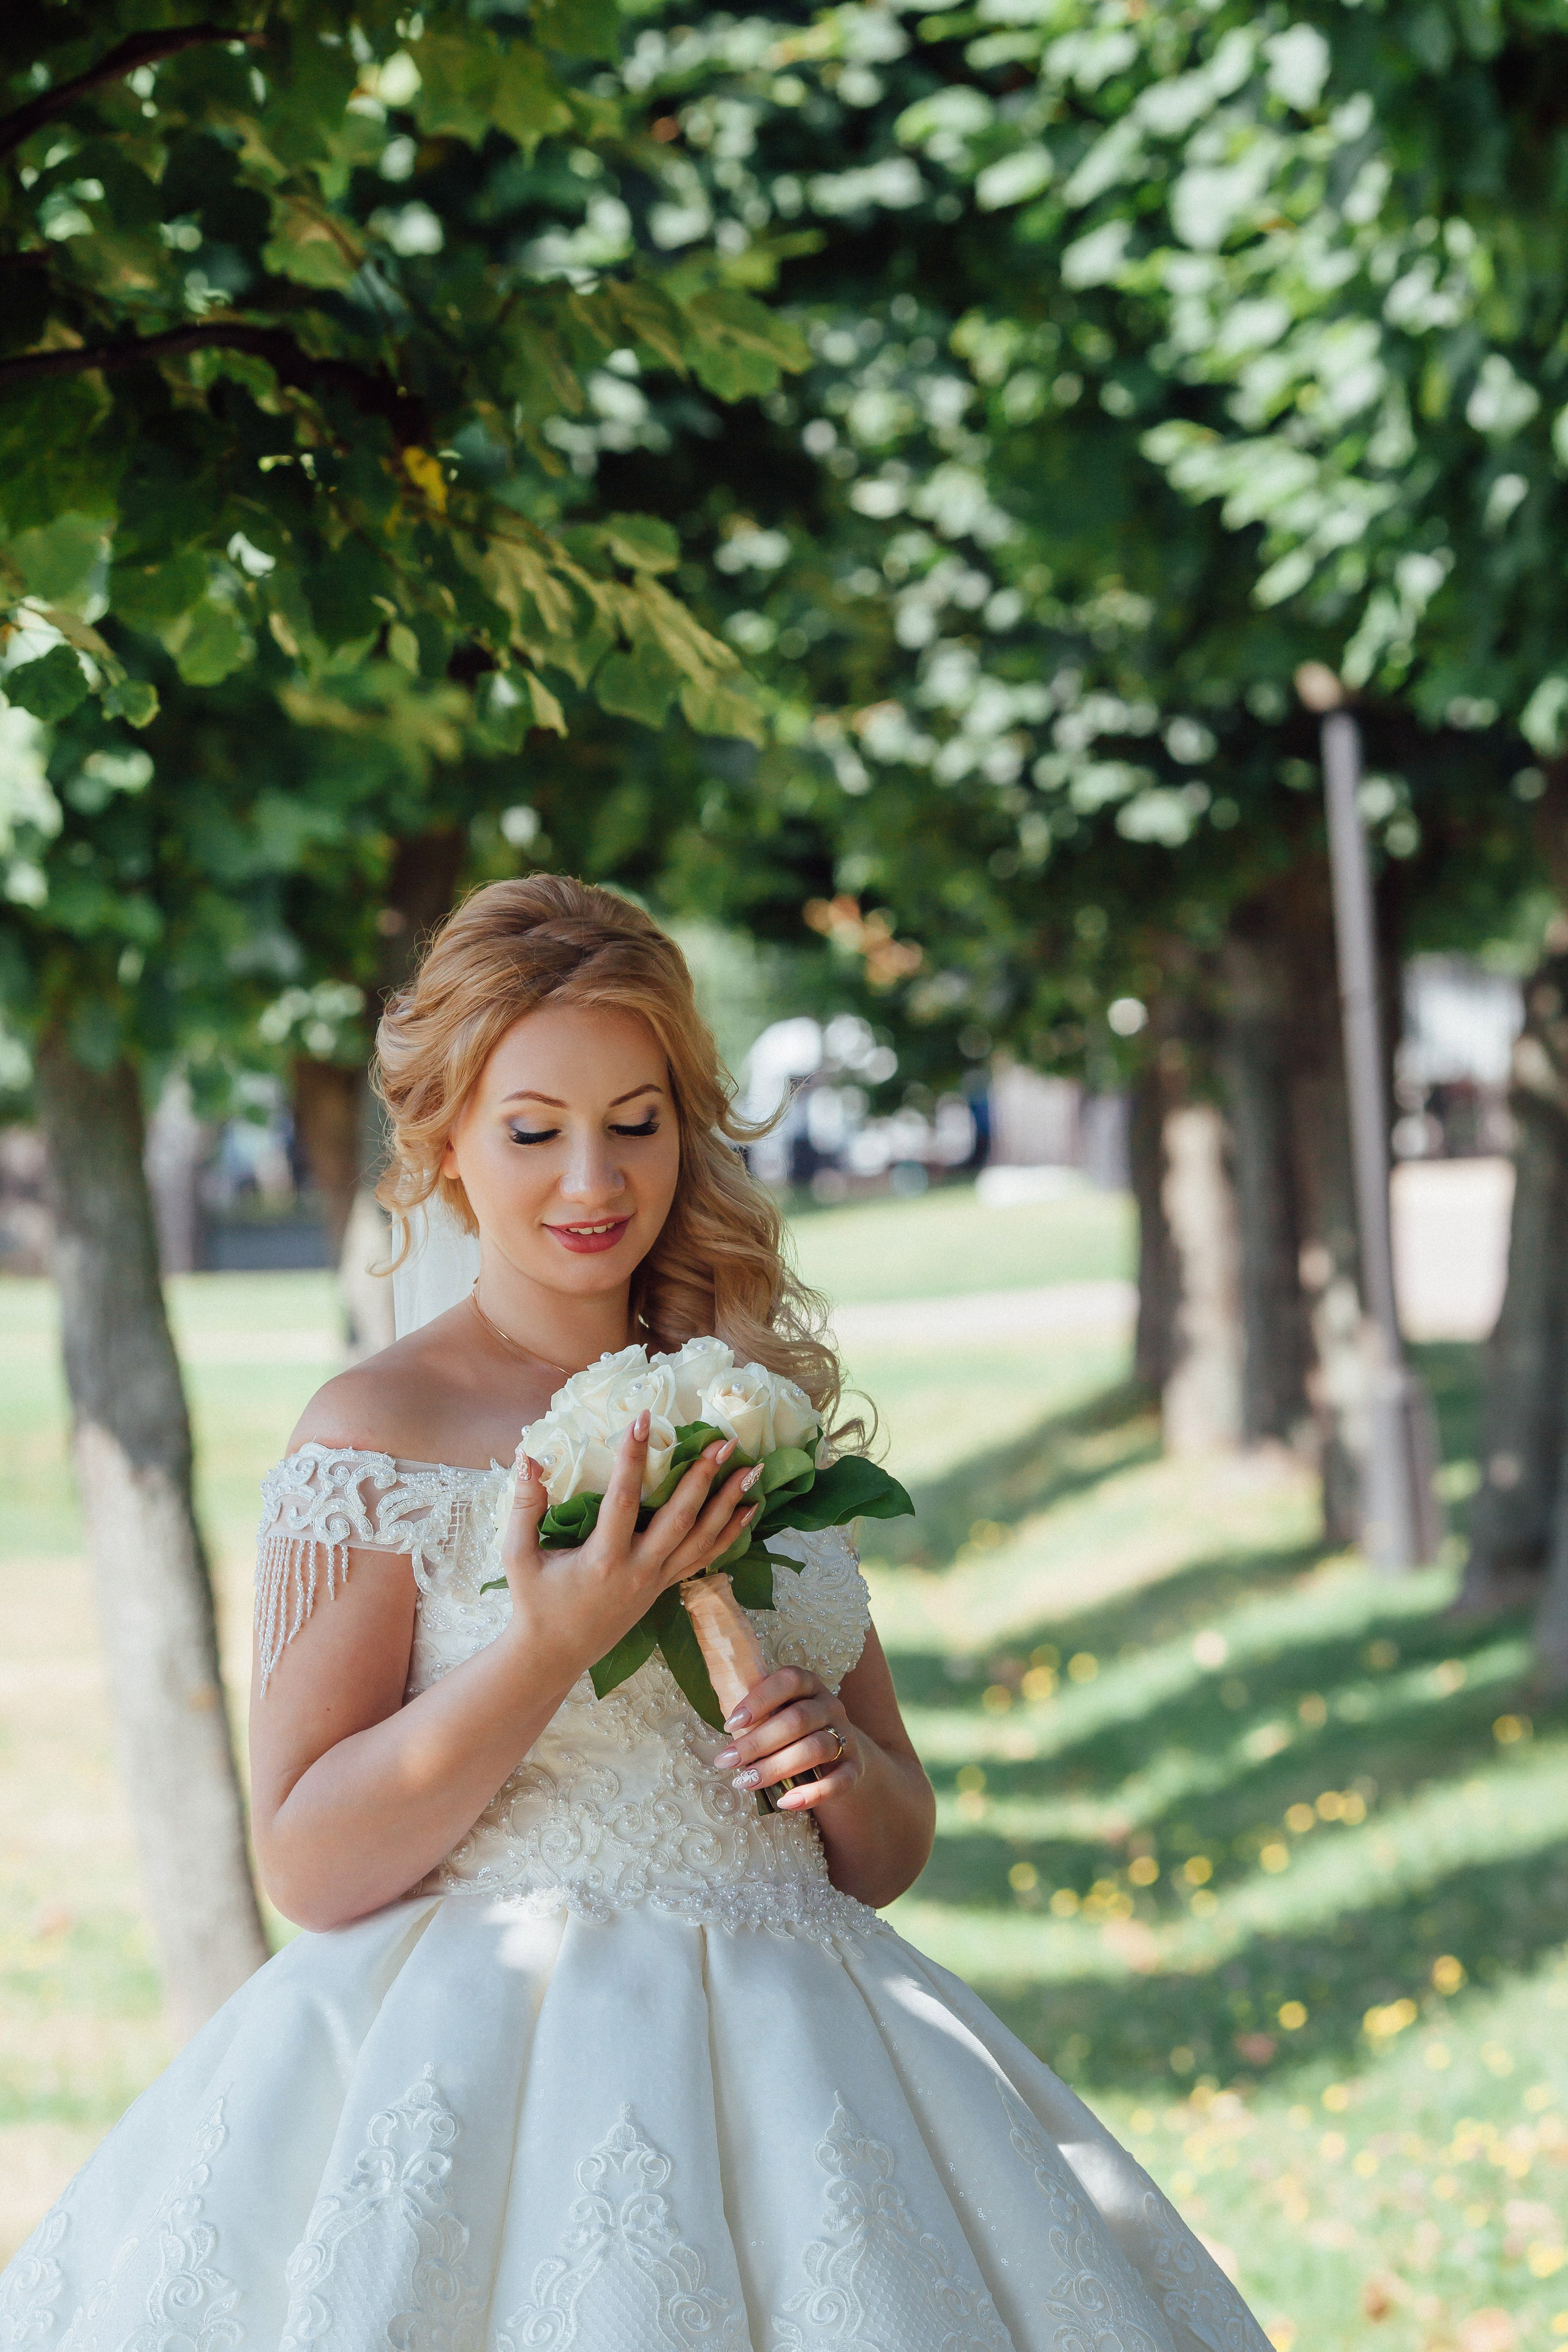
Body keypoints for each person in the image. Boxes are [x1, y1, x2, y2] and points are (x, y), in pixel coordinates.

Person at [0, 878, 1270, 2352]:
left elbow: (891, 1843)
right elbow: (308, 1856)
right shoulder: (375, 1430)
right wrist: (550, 1640)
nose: (592, 1180)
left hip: (814, 2076)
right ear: (446, 1145)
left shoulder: (752, 1408)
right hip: (478, 2069)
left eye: (637, 1121)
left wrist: (844, 1778)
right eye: (534, 1131)